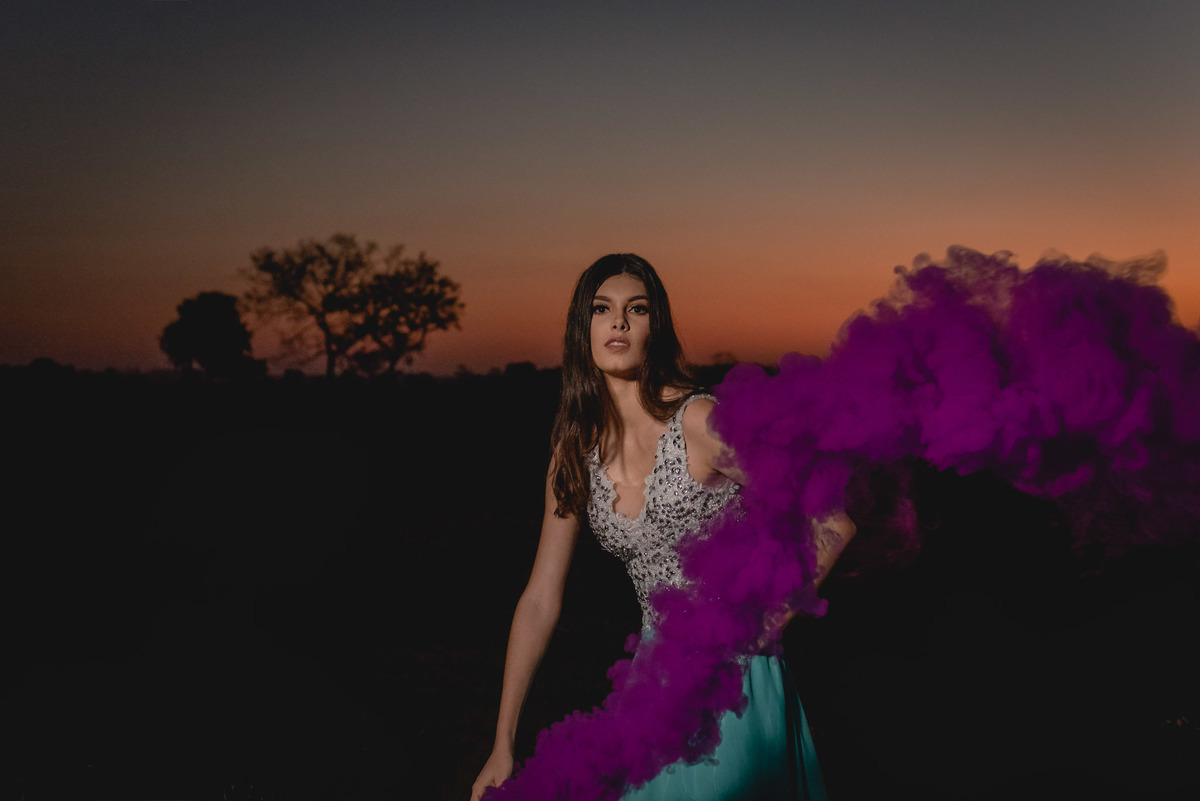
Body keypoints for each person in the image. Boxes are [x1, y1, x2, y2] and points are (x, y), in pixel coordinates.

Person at [470, 254, 856, 801]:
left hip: (734, 681)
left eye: (637, 309)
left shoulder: (700, 421)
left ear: (656, 327)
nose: (619, 322)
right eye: (602, 309)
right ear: (584, 328)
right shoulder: (572, 451)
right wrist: (502, 740)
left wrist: (764, 622)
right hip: (650, 684)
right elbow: (539, 598)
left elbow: (831, 520)